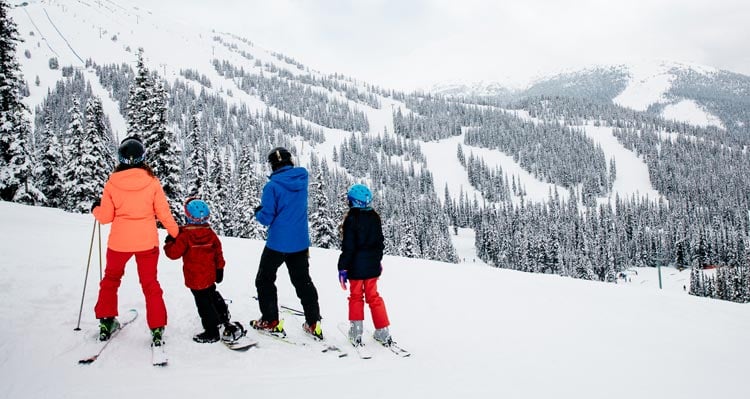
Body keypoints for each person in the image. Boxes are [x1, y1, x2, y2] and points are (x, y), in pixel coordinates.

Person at [91, 135, 179, 347]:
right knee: (150, 284)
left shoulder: (112, 183)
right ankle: (157, 327)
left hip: (119, 243)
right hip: (146, 243)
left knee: (111, 279)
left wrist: (95, 208)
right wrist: (176, 233)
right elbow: (163, 213)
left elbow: (105, 218)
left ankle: (106, 320)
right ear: (143, 157)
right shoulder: (152, 182)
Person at [251, 147, 323, 339]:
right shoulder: (302, 180)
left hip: (278, 243)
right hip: (300, 242)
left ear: (273, 165)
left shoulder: (272, 187)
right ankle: (313, 322)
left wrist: (258, 211)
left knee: (264, 279)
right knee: (303, 281)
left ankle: (270, 320)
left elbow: (266, 218)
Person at [163, 198, 245, 343]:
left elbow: (173, 254)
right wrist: (220, 269)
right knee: (211, 294)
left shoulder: (185, 236)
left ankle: (211, 331)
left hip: (195, 278)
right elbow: (218, 252)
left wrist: (169, 242)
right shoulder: (209, 233)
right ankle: (222, 316)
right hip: (209, 275)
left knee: (204, 304)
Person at [337, 184, 393, 346]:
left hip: (355, 268)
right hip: (371, 267)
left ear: (354, 202)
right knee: (373, 297)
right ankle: (382, 331)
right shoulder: (374, 217)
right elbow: (379, 244)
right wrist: (377, 262)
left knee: (356, 297)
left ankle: (356, 332)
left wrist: (342, 268)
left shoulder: (351, 219)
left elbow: (348, 247)